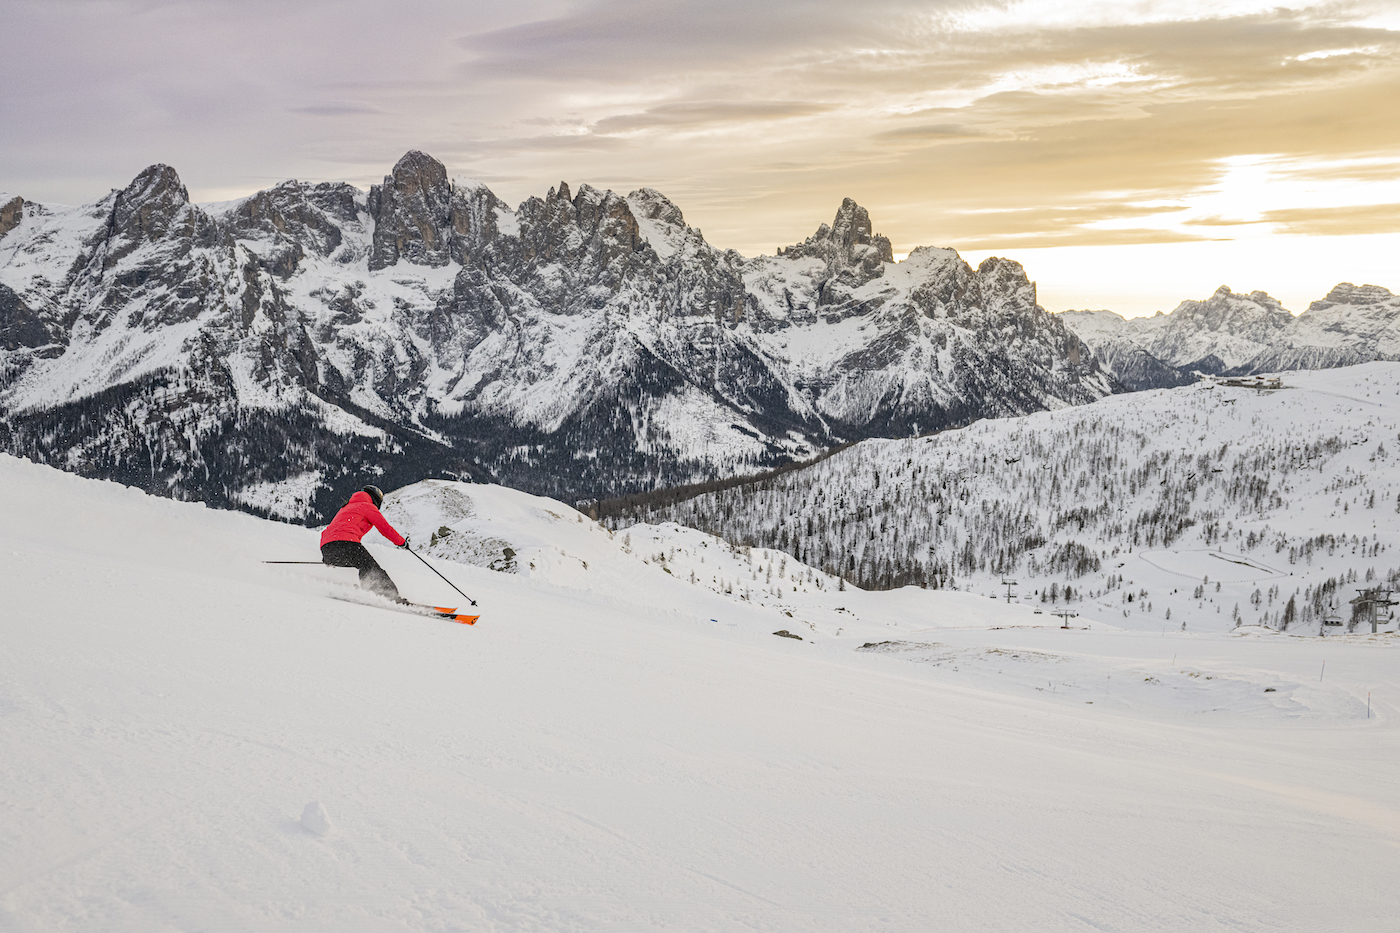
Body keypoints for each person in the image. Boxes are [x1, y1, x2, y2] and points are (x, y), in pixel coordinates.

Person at [320, 485, 409, 601]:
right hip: (346, 544)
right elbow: (385, 528)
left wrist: (329, 555)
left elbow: (334, 529)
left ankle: (369, 591)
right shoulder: (367, 507)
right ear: (376, 500)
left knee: (363, 564)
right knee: (370, 566)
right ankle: (390, 597)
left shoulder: (346, 507)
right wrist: (402, 542)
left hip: (327, 548)